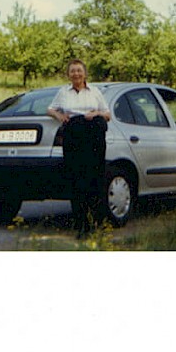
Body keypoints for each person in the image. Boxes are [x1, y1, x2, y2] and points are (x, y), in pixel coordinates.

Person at [47, 59, 111, 236]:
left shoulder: (95, 91)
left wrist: (96, 113)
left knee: (95, 179)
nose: (76, 74)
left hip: (94, 137)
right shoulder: (63, 92)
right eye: (72, 71)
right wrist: (60, 116)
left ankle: (96, 223)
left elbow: (107, 114)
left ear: (85, 74)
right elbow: (50, 109)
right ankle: (81, 224)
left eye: (79, 71)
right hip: (74, 137)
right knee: (76, 180)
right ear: (68, 74)